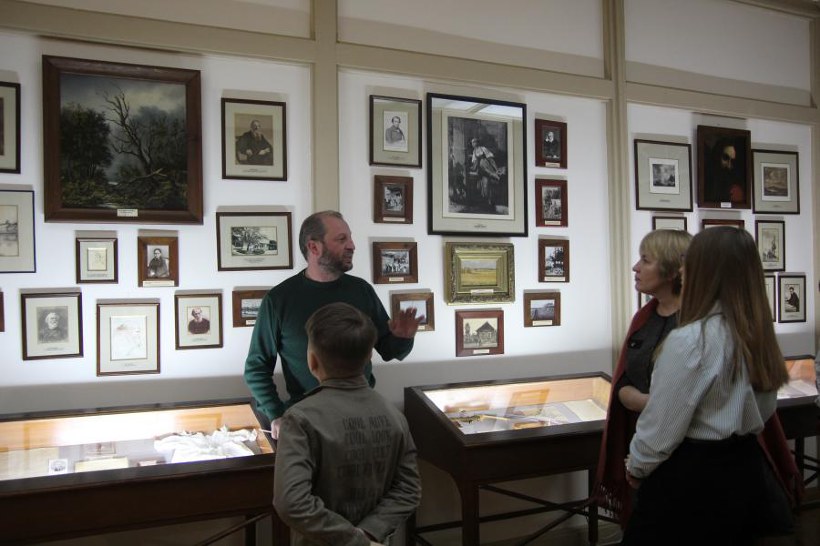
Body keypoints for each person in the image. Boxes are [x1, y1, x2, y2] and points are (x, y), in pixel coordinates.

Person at [622, 227, 799, 544]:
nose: (682, 272)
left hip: (692, 480)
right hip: (745, 472)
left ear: (704, 271)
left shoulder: (691, 340)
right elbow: (764, 408)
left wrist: (637, 466)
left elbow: (662, 425)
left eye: (687, 264)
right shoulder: (757, 335)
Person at [244, 210, 423, 437]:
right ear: (314, 247)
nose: (352, 245)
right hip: (307, 421)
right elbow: (256, 368)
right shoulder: (279, 300)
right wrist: (275, 414)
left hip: (362, 415)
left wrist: (403, 338)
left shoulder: (362, 290)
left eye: (350, 238)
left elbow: (389, 351)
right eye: (341, 239)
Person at [273, 302, 421, 546]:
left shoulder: (299, 419)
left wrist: (354, 540)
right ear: (369, 356)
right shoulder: (393, 415)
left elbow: (292, 503)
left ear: (312, 360)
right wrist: (369, 533)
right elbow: (408, 490)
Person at [593, 229, 691, 527]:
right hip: (643, 444)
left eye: (646, 260)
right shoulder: (644, 318)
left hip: (686, 455)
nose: (636, 267)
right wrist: (641, 399)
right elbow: (624, 378)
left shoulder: (697, 324)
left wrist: (653, 403)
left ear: (672, 270)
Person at [704, 138, 745, 203]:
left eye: (732, 161)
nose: (729, 165)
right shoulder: (707, 179)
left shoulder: (736, 181)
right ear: (717, 156)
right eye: (725, 158)